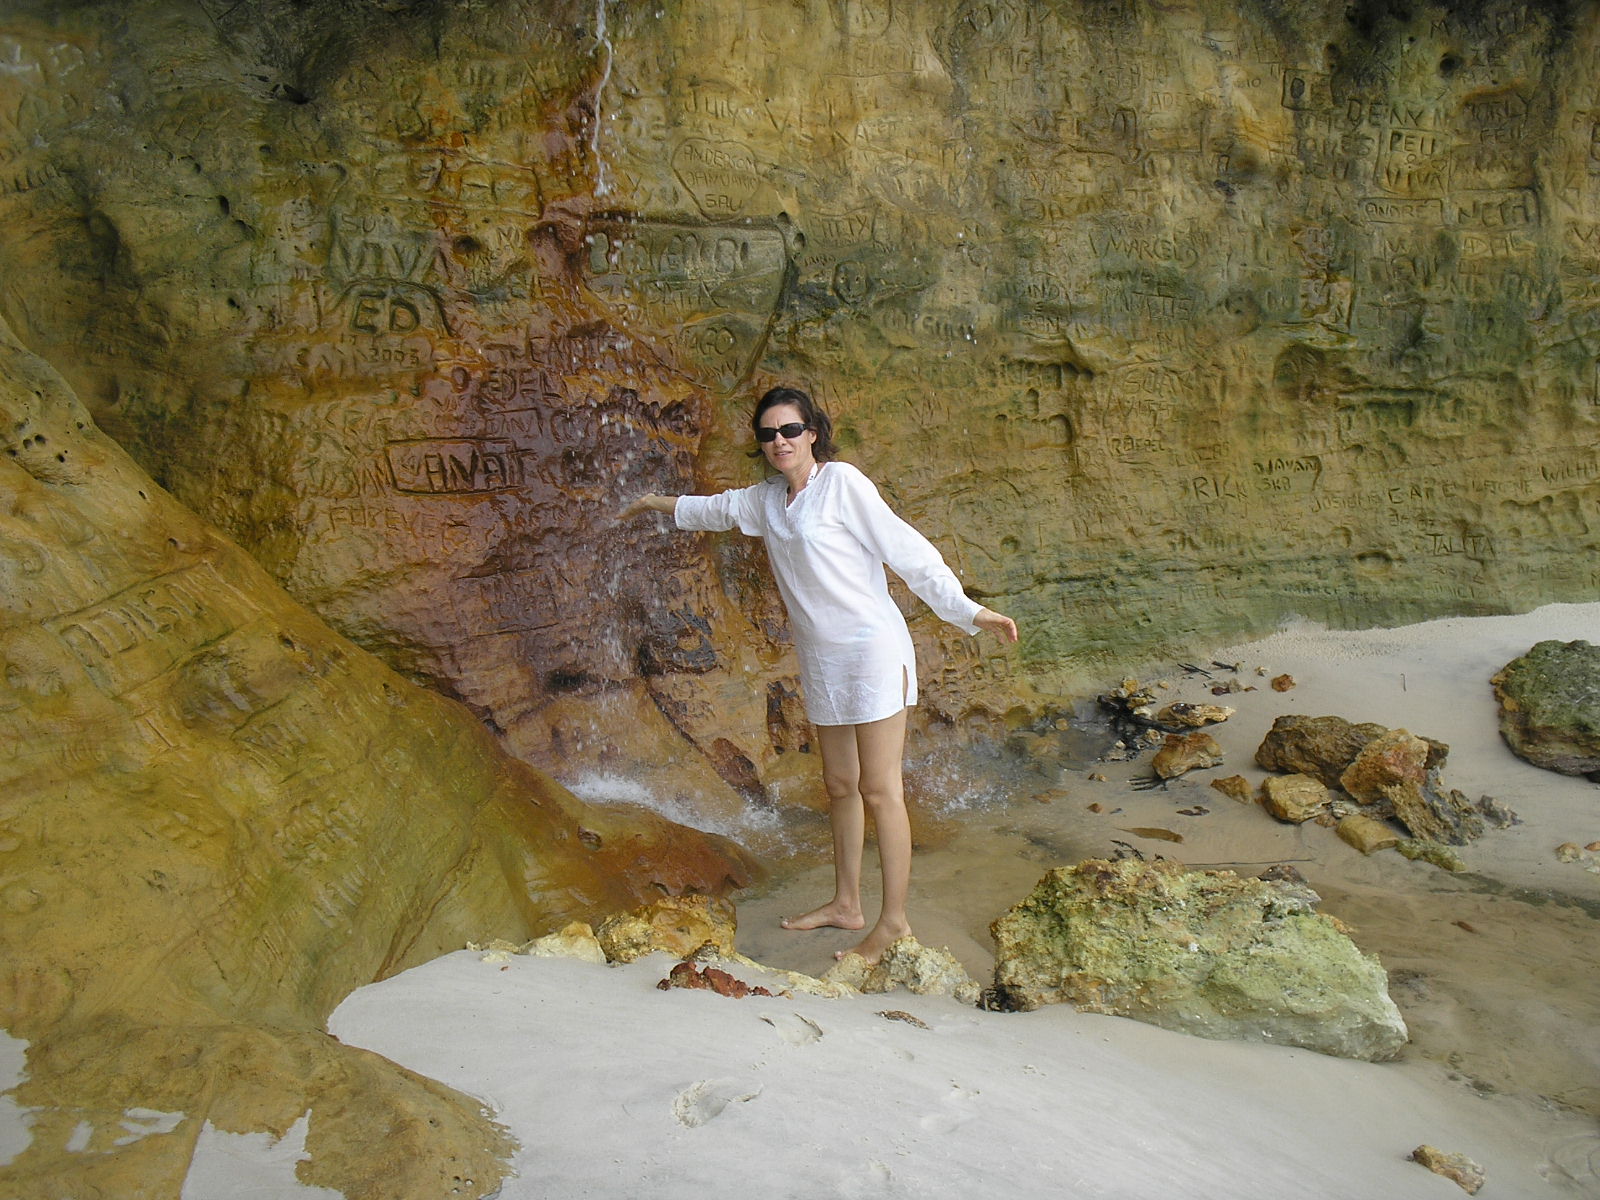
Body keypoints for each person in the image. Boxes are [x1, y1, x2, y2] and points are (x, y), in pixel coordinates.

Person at [621, 386, 1018, 963]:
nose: (779, 441)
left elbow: (906, 550)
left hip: (872, 653)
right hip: (823, 663)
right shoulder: (766, 501)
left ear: (811, 433)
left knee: (880, 789)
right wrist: (649, 502)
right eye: (768, 434)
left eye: (790, 430)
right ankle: (846, 903)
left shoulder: (842, 484)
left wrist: (969, 612)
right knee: (839, 785)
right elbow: (710, 509)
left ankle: (894, 924)